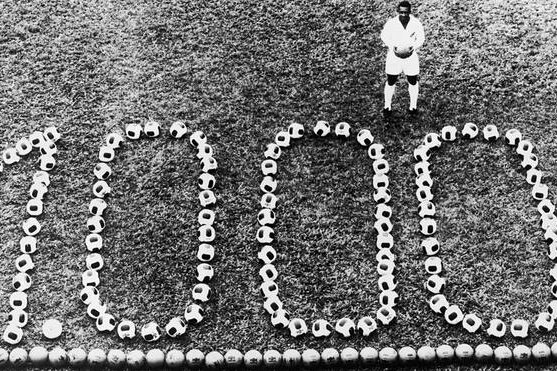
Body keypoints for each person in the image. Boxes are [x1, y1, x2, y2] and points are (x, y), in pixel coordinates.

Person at [380, 1, 425, 118]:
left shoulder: (416, 23)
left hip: (410, 57)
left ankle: (413, 106)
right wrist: (392, 46)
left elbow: (421, 38)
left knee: (413, 80)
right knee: (391, 80)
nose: (404, 15)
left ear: (410, 12)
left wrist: (413, 47)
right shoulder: (392, 23)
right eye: (401, 12)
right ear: (398, 12)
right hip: (394, 57)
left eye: (406, 12)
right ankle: (387, 106)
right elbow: (384, 36)